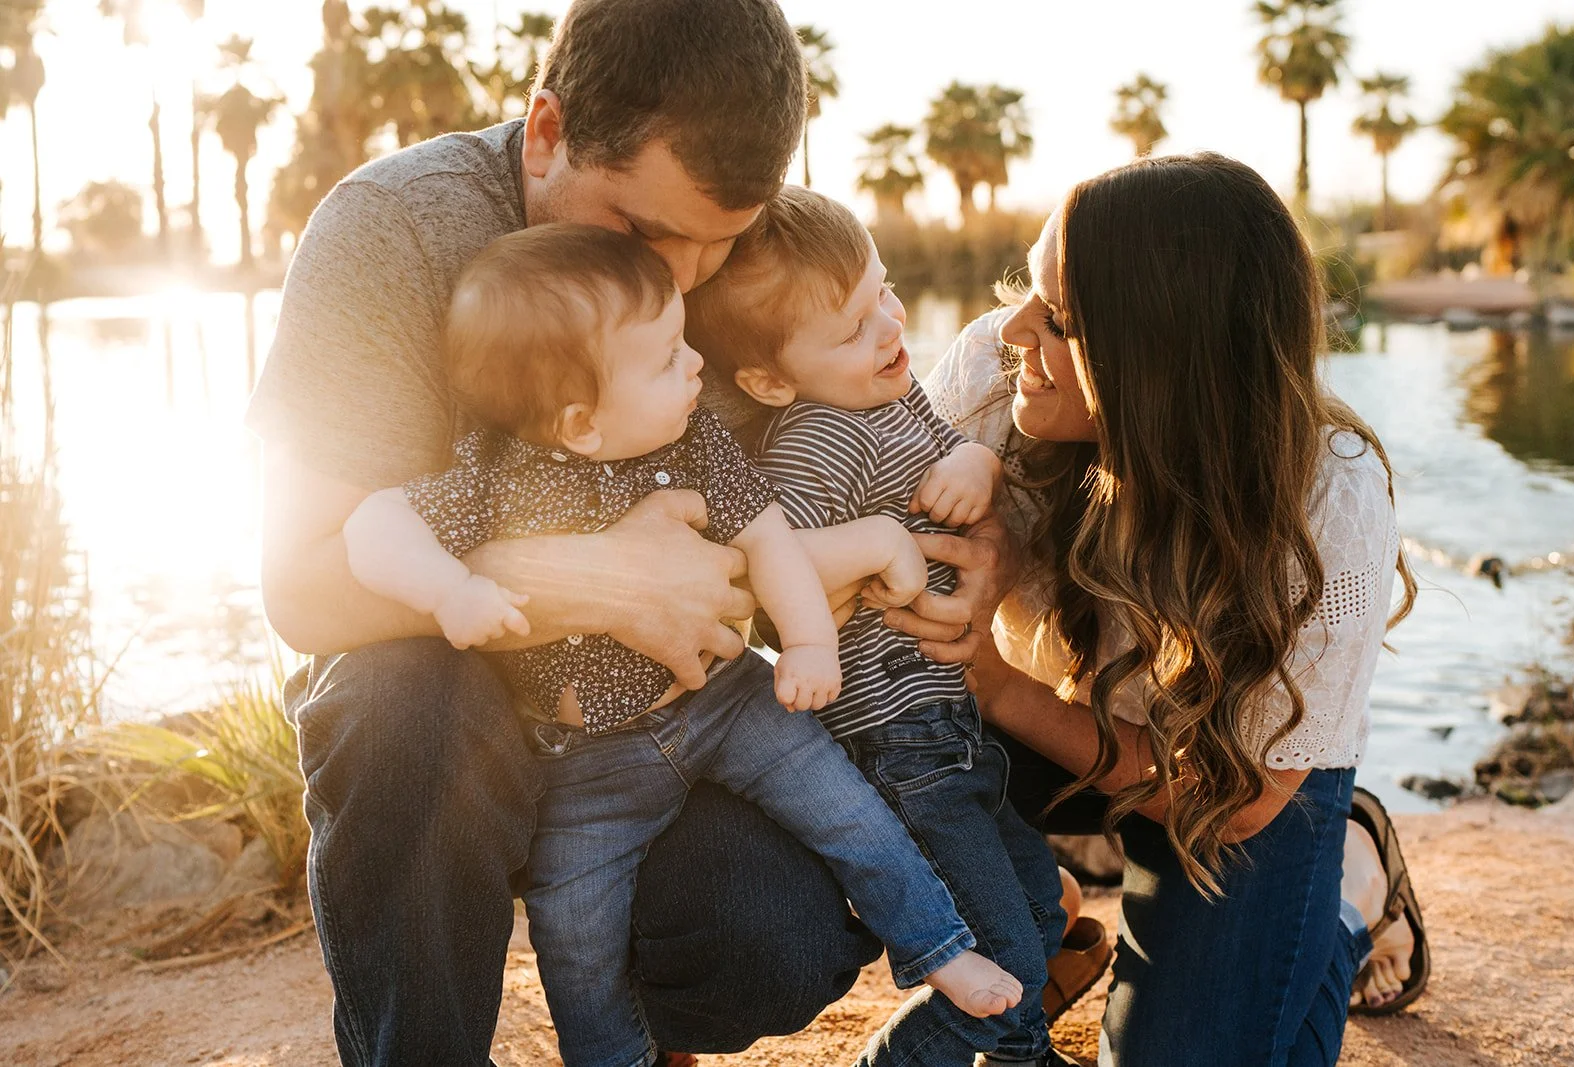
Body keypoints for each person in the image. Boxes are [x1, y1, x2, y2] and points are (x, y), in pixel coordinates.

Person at [243, 1, 1027, 1062]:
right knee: (397, 710)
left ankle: (657, 1036)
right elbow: (300, 586)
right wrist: (585, 579)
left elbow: (867, 424)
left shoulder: (724, 256)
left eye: (723, 240)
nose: (687, 278)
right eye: (647, 233)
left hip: (655, 715)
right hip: (449, 683)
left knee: (778, 934)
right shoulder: (395, 231)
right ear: (548, 130)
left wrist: (970, 540)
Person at [340, 222, 1024, 1067]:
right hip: (592, 758)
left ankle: (939, 946)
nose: (694, 363)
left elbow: (769, 539)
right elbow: (372, 525)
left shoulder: (696, 443)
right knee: (573, 925)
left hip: (726, 703)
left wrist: (809, 643)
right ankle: (613, 1056)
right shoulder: (494, 479)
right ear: (581, 422)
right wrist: (450, 591)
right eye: (667, 356)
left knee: (848, 808)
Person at [924, 153, 1431, 1066]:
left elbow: (1231, 803)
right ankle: (1046, 914)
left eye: (1057, 319)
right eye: (1026, 292)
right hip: (1037, 730)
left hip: (1231, 776)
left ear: (1153, 355)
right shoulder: (995, 385)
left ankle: (1351, 884)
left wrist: (998, 687)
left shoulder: (1327, 502)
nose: (1013, 330)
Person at [686, 187, 1071, 1067]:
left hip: (955, 730)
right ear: (771, 380)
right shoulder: (820, 436)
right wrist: (875, 545)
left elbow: (947, 454)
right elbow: (770, 566)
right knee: (1002, 957)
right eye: (855, 326)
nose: (891, 325)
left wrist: (977, 460)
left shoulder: (888, 399)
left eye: (885, 292)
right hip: (898, 743)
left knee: (1040, 912)